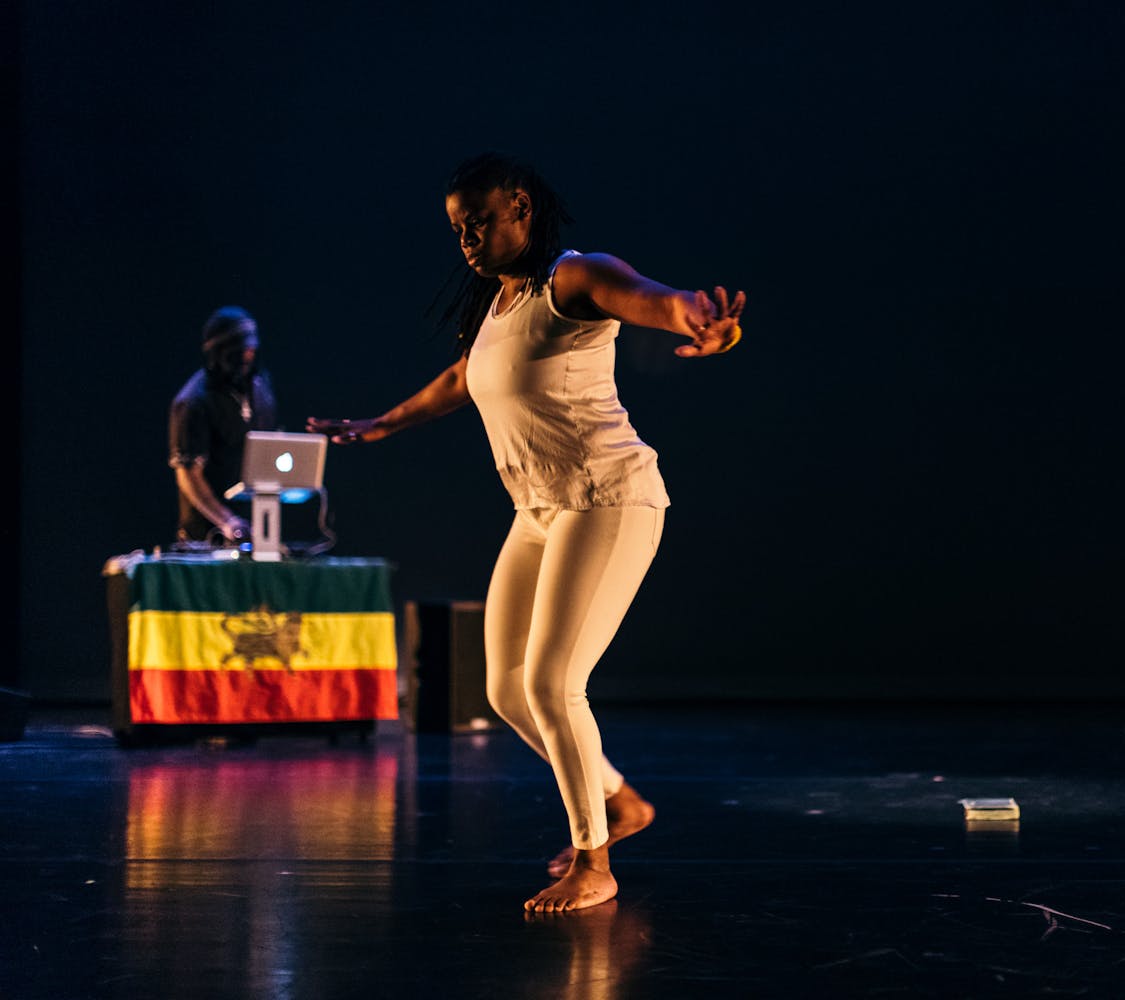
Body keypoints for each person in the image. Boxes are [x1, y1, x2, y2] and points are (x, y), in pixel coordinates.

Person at [307, 152, 745, 913]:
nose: (468, 239)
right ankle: (620, 802)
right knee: (506, 689)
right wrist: (384, 424)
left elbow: (650, 299)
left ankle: (595, 861)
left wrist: (700, 321)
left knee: (551, 684)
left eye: (479, 220)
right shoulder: (498, 306)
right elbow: (461, 381)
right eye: (457, 228)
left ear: (521, 207)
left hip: (607, 499)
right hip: (539, 509)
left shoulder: (573, 277)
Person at [169, 306, 278, 545]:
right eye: (239, 354)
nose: (247, 359)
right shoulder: (193, 402)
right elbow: (188, 474)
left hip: (256, 531)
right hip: (206, 538)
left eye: (251, 352)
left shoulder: (259, 388)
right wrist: (228, 521)